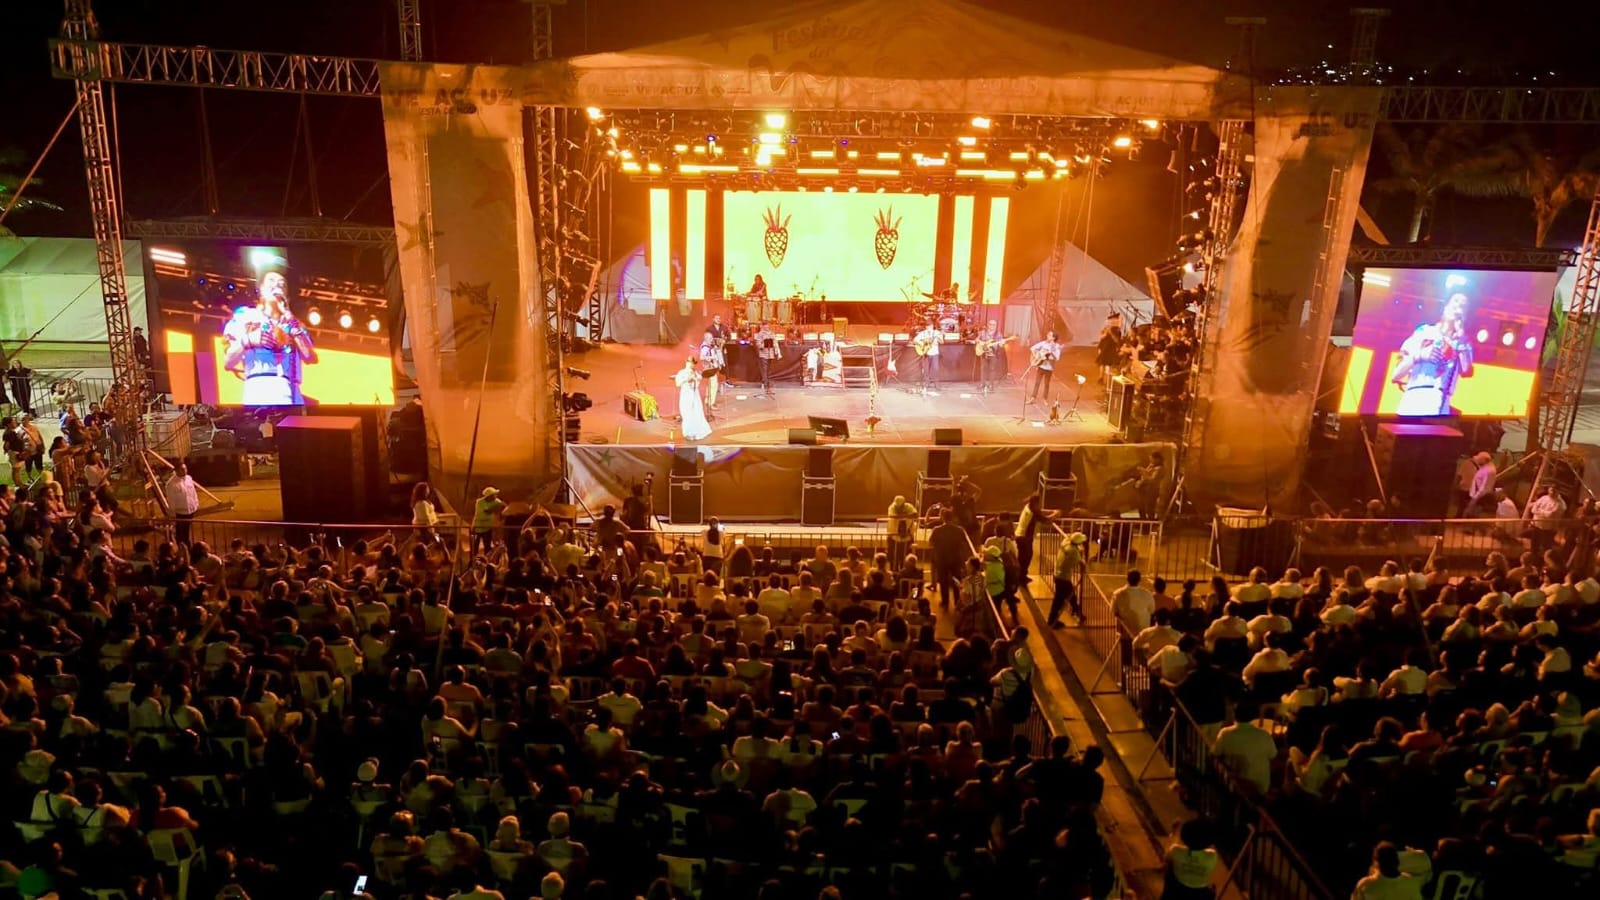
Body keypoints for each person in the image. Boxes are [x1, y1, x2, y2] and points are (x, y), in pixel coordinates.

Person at [222, 270, 317, 405]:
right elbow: (228, 362)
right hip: (258, 389)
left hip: (291, 393)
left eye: (282, 284)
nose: (277, 285)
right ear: (261, 289)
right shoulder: (246, 317)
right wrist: (249, 340)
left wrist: (289, 317)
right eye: (271, 281)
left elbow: (310, 356)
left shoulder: (294, 323)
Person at [1391, 291, 1473, 416]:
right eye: (1455, 301)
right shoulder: (1424, 331)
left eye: (1463, 306)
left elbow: (1467, 370)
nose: (1458, 307)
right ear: (1445, 307)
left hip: (1441, 402)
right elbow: (1396, 375)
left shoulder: (1463, 344)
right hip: (1414, 397)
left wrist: (1461, 337)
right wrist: (1420, 355)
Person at [1049, 531, 1087, 627]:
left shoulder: (1065, 544)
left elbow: (1068, 537)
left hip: (1058, 574)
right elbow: (1082, 564)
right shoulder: (1074, 552)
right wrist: (1082, 554)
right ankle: (1052, 620)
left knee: (1071, 596)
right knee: (1059, 601)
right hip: (1064, 578)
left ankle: (1078, 613)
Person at [674, 358, 712, 441]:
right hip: (686, 395)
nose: (691, 364)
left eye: (693, 363)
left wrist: (696, 378)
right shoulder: (681, 372)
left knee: (697, 412)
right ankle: (688, 433)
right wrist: (687, 379)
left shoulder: (695, 373)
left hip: (694, 395)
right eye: (690, 362)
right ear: (687, 362)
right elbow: (678, 384)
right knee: (687, 413)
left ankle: (697, 431)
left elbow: (699, 379)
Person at [164, 461, 201, 545]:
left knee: (186, 530)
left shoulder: (189, 478)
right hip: (180, 512)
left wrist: (196, 504)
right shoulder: (171, 484)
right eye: (182, 469)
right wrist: (173, 513)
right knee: (181, 533)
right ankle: (182, 546)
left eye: (185, 468)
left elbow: (193, 493)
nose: (185, 471)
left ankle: (185, 544)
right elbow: (171, 499)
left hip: (190, 510)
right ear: (176, 470)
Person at [1028, 331, 1062, 403]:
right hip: (1041, 366)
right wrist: (1037, 355)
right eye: (1048, 334)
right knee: (1037, 383)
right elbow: (1032, 348)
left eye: (1049, 335)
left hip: (1049, 368)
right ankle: (1033, 398)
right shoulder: (1043, 343)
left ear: (1053, 338)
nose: (1047, 335)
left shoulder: (1057, 346)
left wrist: (1051, 353)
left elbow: (1057, 358)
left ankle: (1045, 399)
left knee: (1046, 384)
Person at [472, 486, 506, 556]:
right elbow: (487, 511)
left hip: (488, 527)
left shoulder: (496, 501)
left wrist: (501, 511)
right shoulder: (480, 502)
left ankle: (486, 558)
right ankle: (474, 558)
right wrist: (497, 507)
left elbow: (503, 506)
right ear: (489, 496)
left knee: (487, 544)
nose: (495, 496)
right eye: (493, 495)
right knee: (475, 544)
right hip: (478, 526)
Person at [975, 321, 1007, 393]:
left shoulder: (998, 334)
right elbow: (976, 340)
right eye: (991, 324)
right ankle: (982, 384)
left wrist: (1001, 344)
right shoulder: (983, 333)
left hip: (993, 354)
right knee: (983, 369)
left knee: (992, 369)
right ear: (988, 325)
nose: (992, 326)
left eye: (994, 325)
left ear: (996, 326)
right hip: (984, 353)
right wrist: (981, 343)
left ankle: (991, 385)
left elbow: (1000, 345)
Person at [886, 495, 918, 565]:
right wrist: (906, 515)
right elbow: (892, 516)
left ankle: (904, 569)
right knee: (893, 557)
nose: (898, 508)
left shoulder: (909, 506)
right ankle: (894, 569)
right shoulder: (892, 507)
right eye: (897, 507)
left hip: (907, 538)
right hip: (894, 536)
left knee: (905, 558)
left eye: (900, 507)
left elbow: (915, 515)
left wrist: (902, 516)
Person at [753, 320, 781, 397]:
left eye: (767, 325)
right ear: (762, 326)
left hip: (770, 354)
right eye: (765, 325)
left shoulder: (772, 333)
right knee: (764, 369)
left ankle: (768, 384)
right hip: (763, 354)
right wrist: (764, 345)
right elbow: (758, 344)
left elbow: (775, 343)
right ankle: (765, 385)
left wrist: (777, 352)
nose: (766, 326)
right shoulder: (760, 334)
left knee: (769, 370)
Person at [913, 320, 942, 394]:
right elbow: (914, 340)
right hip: (926, 353)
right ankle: (926, 383)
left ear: (932, 326)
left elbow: (942, 342)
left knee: (935, 369)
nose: (928, 327)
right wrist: (921, 343)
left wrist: (939, 338)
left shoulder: (936, 333)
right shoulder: (923, 333)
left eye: (930, 325)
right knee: (926, 369)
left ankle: (936, 384)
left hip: (935, 353)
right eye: (927, 326)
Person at [698, 332, 725, 410]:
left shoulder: (708, 346)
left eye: (712, 338)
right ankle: (711, 403)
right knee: (714, 385)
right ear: (706, 339)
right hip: (709, 369)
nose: (711, 340)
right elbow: (701, 357)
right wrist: (713, 357)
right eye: (710, 338)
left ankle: (708, 400)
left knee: (710, 385)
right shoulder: (705, 347)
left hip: (710, 368)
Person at [1466, 451, 1496, 516]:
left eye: (1479, 459)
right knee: (1470, 513)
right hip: (1475, 495)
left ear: (1484, 460)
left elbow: (1484, 488)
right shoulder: (1484, 467)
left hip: (1480, 498)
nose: (1478, 461)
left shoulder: (1489, 471)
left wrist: (1474, 500)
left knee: (1472, 514)